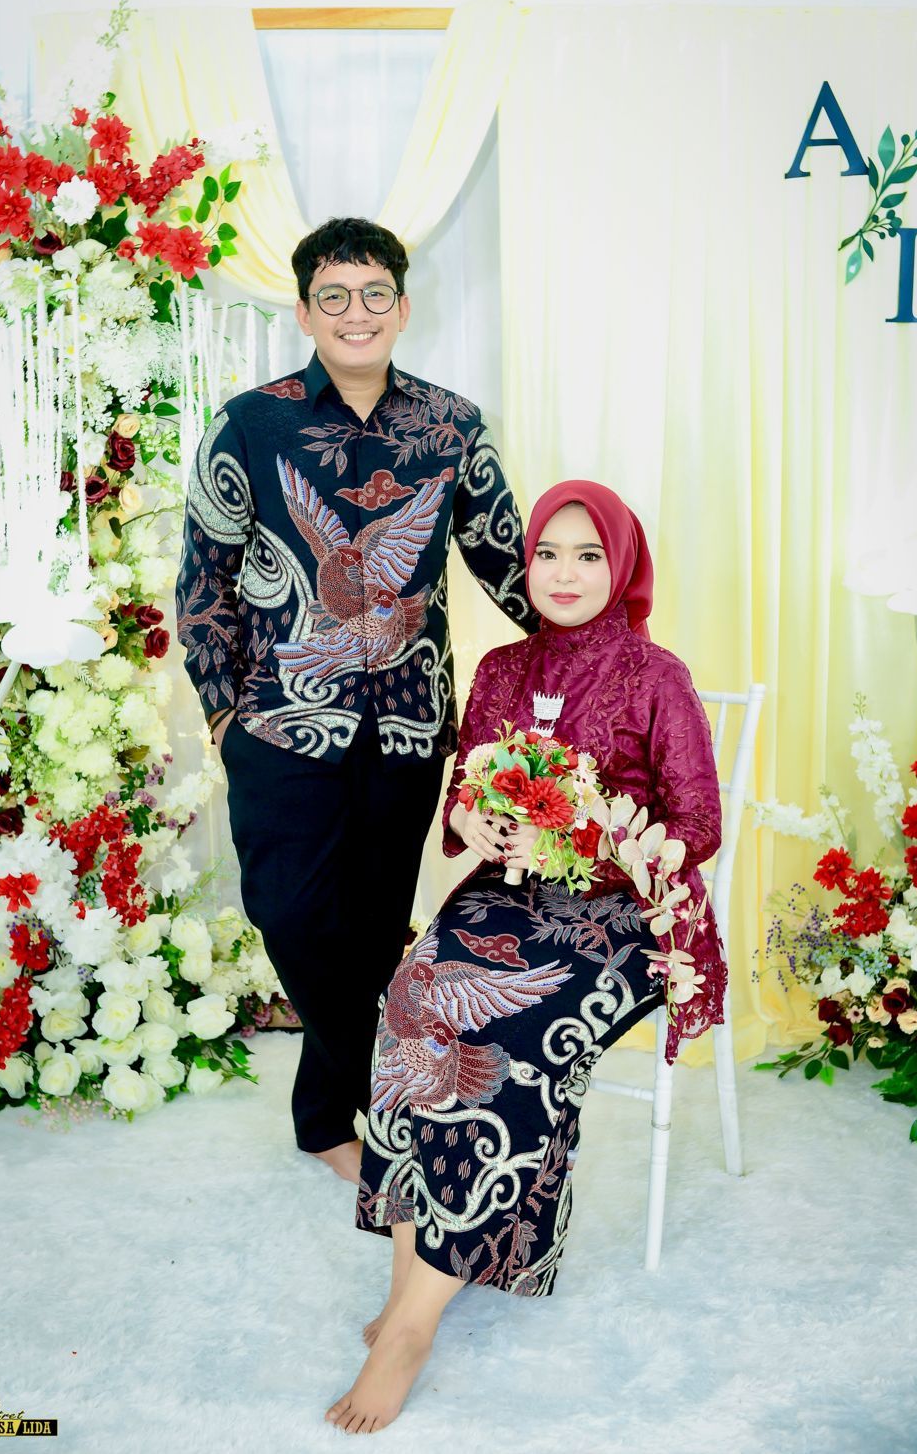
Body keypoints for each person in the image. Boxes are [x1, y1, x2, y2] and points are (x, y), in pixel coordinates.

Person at [325, 480, 726, 1434]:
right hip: (508, 896)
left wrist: (592, 835)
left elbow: (698, 824)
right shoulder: (504, 668)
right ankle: (411, 1272)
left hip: (625, 916)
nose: (565, 573)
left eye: (589, 556)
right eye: (549, 553)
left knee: (510, 1027)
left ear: (621, 568)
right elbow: (467, 790)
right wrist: (477, 820)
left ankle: (414, 1324)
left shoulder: (656, 674)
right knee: (414, 997)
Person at [175, 217, 533, 1183]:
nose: (356, 312)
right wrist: (225, 714)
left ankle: (325, 1122)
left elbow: (505, 558)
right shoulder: (250, 425)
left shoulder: (453, 426)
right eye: (333, 295)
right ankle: (386, 1085)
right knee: (290, 914)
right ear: (305, 312)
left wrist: (597, 642)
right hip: (280, 722)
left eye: (375, 293)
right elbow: (203, 581)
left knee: (373, 933)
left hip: (409, 724)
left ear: (403, 308)